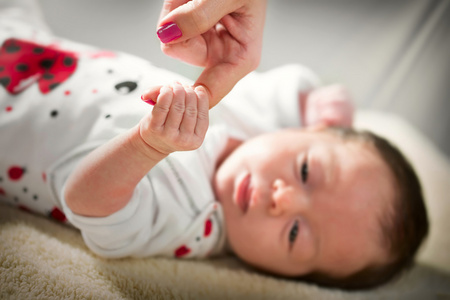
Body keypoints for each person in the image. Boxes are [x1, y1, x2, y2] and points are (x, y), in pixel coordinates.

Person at [0, 0, 428, 291]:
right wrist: (325, 106)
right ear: (311, 134)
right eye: (305, 173)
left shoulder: (189, 225)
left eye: (296, 233)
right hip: (31, 42)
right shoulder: (269, 122)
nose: (283, 199)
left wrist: (148, 145)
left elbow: (84, 199)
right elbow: (301, 86)